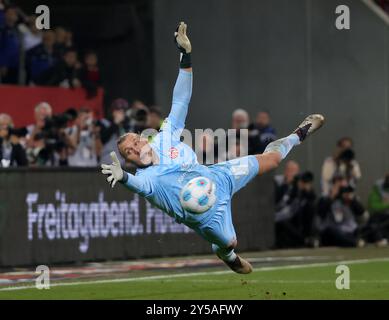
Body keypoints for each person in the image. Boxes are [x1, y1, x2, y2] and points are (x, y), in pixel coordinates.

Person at [101, 22, 325, 274]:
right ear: (129, 160)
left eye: (134, 140)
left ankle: (298, 134)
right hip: (206, 215)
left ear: (144, 138)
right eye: (128, 151)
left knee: (271, 161)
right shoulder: (147, 178)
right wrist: (124, 179)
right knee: (229, 242)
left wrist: (185, 56)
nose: (134, 147)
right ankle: (225, 254)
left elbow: (181, 99)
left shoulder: (164, 138)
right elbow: (140, 187)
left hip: (218, 177)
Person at [317, 176, 366, 247]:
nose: (342, 189)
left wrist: (352, 200)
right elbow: (321, 212)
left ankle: (376, 240)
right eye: (340, 187)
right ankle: (355, 242)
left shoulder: (349, 199)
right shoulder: (325, 198)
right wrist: (332, 196)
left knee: (368, 228)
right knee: (333, 232)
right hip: (332, 230)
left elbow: (361, 211)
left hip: (349, 230)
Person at [275, 171, 317, 248]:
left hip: (301, 223)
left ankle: (308, 238)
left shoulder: (308, 194)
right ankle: (304, 240)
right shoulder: (291, 189)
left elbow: (312, 200)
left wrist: (307, 191)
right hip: (289, 218)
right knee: (282, 222)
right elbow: (283, 204)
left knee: (310, 207)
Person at [362, 173, 389, 246]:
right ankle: (379, 239)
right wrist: (387, 205)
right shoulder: (377, 188)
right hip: (377, 216)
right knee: (375, 219)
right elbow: (374, 207)